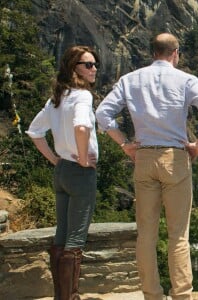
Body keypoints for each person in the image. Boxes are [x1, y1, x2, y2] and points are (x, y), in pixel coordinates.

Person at [96, 32, 198, 300]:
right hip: (175, 159)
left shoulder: (130, 80)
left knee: (146, 234)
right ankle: (182, 295)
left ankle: (152, 295)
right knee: (178, 235)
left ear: (153, 52)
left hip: (144, 158)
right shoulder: (186, 80)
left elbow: (102, 113)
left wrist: (124, 144)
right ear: (176, 53)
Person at [26, 45, 99, 300]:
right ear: (74, 69)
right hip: (80, 173)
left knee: (61, 234)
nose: (94, 69)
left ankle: (61, 296)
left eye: (94, 64)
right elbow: (81, 127)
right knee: (76, 237)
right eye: (88, 65)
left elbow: (35, 132)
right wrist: (81, 158)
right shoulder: (82, 96)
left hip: (62, 172)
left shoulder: (56, 98)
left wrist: (56, 160)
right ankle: (70, 297)